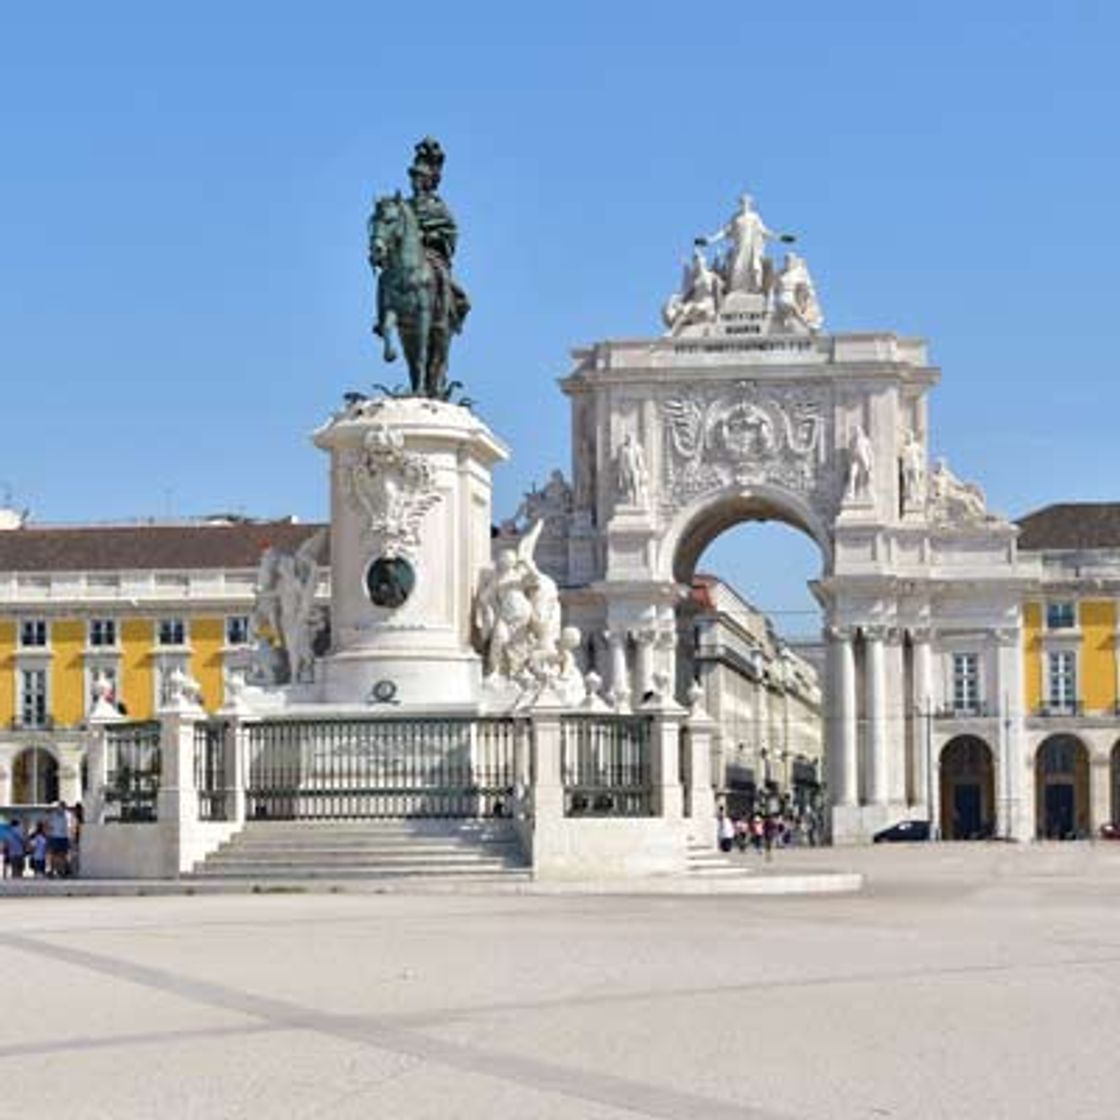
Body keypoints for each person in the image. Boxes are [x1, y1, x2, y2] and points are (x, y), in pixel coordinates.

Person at [47, 801, 70, 878]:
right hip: (55, 837)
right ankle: (52, 870)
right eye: (59, 807)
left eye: (62, 807)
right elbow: (49, 826)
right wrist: (49, 835)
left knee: (62, 855)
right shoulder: (53, 815)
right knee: (53, 855)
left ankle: (62, 871)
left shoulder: (68, 815)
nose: (60, 809)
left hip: (64, 837)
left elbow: (70, 827)